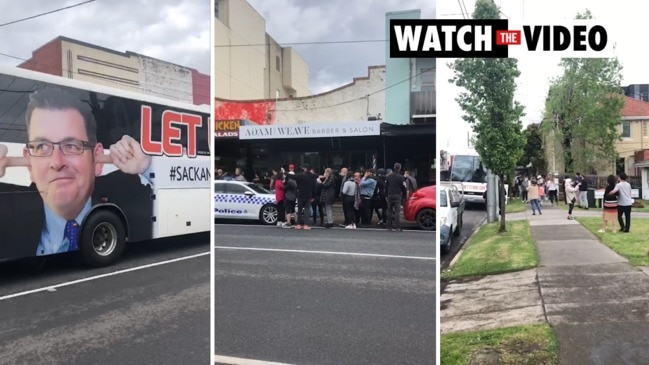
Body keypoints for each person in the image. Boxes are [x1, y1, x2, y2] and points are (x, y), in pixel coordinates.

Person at [0, 88, 152, 258]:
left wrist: (145, 167)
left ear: (97, 158)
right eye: (42, 146)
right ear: (29, 165)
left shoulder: (135, 193)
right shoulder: (7, 211)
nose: (57, 163)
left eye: (71, 146)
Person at [385, 162, 407, 232]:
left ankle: (389, 226)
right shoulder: (401, 177)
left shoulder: (388, 176)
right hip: (397, 195)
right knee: (397, 211)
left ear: (394, 167)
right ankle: (397, 226)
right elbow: (404, 188)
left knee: (389, 211)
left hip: (390, 195)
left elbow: (386, 187)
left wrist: (386, 195)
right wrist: (404, 196)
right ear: (399, 168)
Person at [294, 164, 317, 230]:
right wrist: (313, 196)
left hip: (300, 195)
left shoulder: (300, 176)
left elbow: (297, 186)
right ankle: (306, 224)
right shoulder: (311, 177)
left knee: (300, 210)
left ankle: (298, 224)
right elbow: (314, 187)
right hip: (308, 195)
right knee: (307, 210)